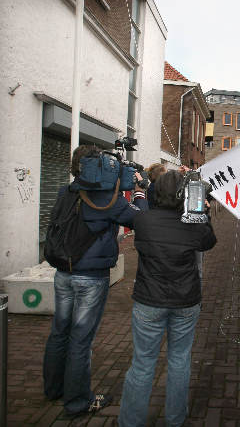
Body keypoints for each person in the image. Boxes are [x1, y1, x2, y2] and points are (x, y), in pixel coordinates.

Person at [43, 145, 148, 417]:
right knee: (80, 340)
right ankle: (77, 402)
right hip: (90, 277)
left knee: (59, 332)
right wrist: (139, 191)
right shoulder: (107, 198)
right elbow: (141, 219)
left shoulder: (66, 191)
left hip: (63, 272)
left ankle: (54, 389)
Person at [119, 170, 217, 427]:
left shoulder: (143, 221)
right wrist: (203, 213)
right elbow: (209, 242)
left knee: (142, 363)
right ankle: (175, 419)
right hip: (185, 301)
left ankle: (130, 422)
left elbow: (127, 213)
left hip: (148, 301)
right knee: (179, 360)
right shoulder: (193, 224)